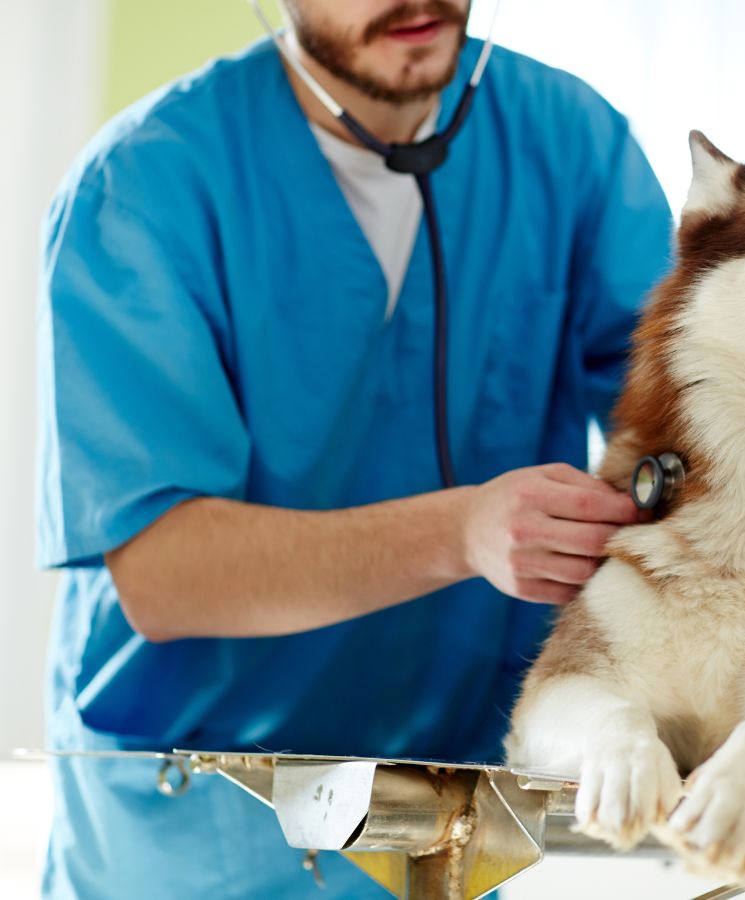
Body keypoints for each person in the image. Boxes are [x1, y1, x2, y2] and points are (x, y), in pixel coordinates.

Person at [35, 0, 672, 895]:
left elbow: (678, 424)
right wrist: (464, 531)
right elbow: (165, 570)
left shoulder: (571, 143)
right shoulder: (144, 186)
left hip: (451, 813)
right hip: (206, 825)